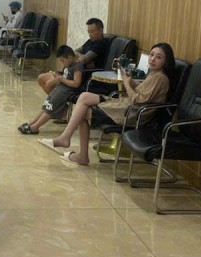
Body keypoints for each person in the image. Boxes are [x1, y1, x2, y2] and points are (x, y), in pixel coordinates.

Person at [38, 42, 175, 166]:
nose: (153, 59)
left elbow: (137, 100)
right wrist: (130, 80)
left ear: (166, 61)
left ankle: (78, 152)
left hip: (131, 113)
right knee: (84, 96)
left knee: (82, 113)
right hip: (125, 105)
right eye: (151, 54)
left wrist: (127, 84)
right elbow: (141, 91)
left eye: (158, 57)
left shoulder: (160, 78)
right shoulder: (153, 75)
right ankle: (67, 139)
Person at [17, 46, 85, 134]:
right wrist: (58, 76)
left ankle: (35, 127)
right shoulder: (69, 64)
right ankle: (32, 123)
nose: (63, 63)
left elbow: (76, 84)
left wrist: (62, 79)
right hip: (61, 88)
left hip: (67, 91)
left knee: (50, 108)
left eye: (63, 61)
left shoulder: (77, 67)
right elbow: (66, 76)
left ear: (70, 57)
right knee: (47, 105)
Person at [37, 17, 108, 93]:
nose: (90, 35)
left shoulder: (101, 44)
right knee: (40, 78)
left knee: (49, 84)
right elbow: (73, 52)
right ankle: (57, 98)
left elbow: (83, 59)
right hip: (70, 71)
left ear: (101, 30)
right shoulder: (90, 41)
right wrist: (80, 57)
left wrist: (80, 57)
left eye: (92, 31)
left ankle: (57, 99)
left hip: (79, 75)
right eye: (89, 32)